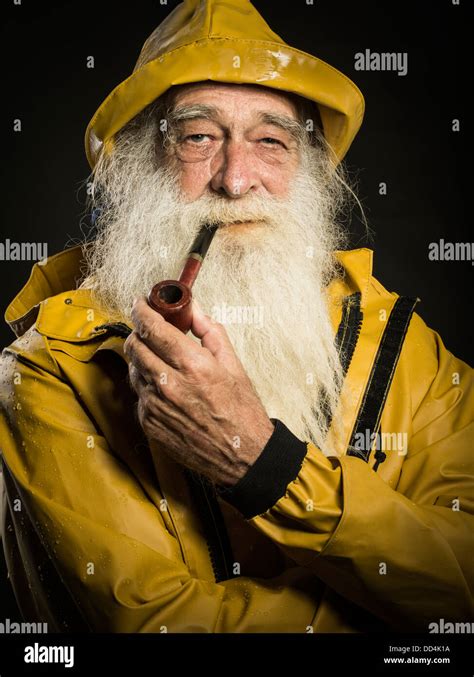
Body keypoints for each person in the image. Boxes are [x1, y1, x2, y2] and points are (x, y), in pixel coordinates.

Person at [1, 0, 472, 633]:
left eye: (270, 141)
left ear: (305, 168)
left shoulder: (404, 345)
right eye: (199, 137)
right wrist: (399, 618)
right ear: (139, 161)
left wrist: (263, 465)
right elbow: (157, 624)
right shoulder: (53, 367)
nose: (236, 179)